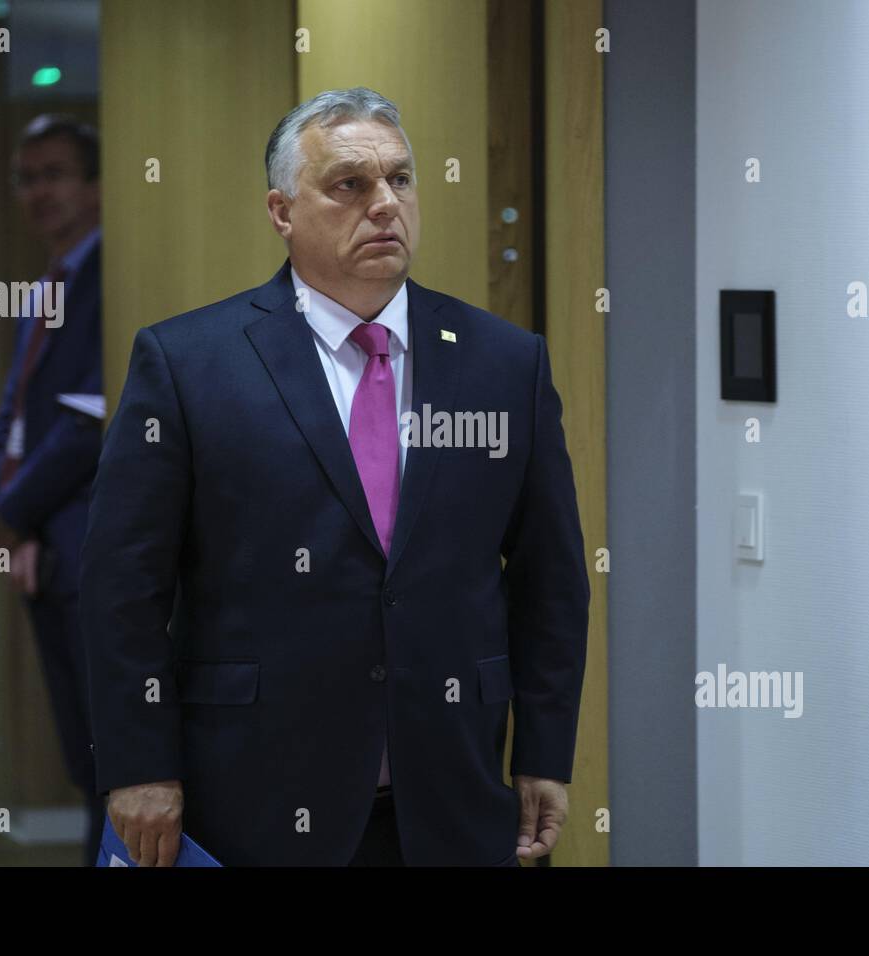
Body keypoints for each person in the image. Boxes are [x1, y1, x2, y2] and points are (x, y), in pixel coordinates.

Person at [79, 87, 589, 866]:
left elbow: (550, 577)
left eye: (401, 179)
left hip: (450, 791)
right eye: (350, 184)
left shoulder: (503, 362)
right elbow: (123, 587)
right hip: (254, 790)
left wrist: (545, 751)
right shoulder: (189, 364)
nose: (385, 203)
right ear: (283, 212)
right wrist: (140, 762)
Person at [0, 114, 104, 866]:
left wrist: (11, 511)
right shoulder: (47, 283)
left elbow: (92, 415)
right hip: (45, 549)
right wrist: (12, 513)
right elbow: (16, 414)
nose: (39, 192)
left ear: (94, 186)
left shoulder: (107, 275)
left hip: (85, 543)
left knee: (110, 757)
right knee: (81, 754)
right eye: (26, 178)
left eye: (55, 174)